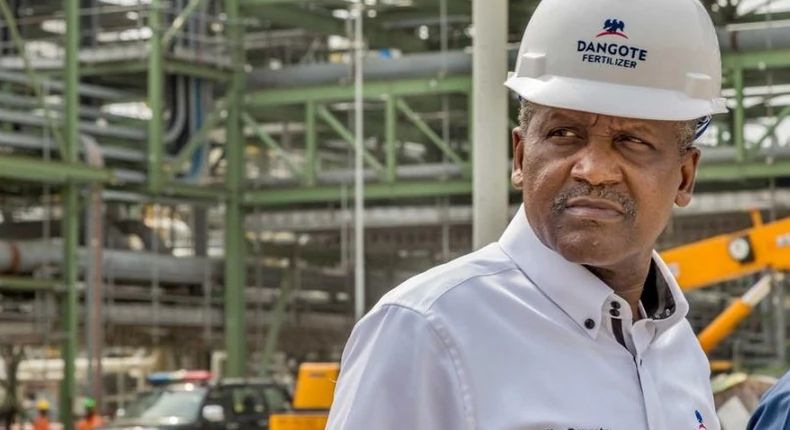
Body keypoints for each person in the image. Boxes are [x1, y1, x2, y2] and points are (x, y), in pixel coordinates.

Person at [325, 0, 728, 428]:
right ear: (520, 156)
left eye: (632, 141)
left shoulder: (678, 350)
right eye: (563, 133)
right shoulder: (428, 332)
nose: (592, 170)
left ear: (684, 177)